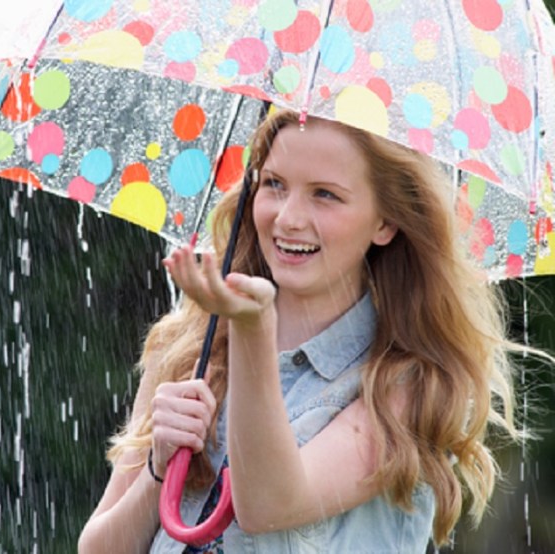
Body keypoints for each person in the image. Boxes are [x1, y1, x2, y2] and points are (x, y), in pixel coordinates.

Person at [77, 109, 532, 553]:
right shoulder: (189, 348)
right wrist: (158, 470)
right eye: (274, 184)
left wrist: (253, 328)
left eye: (325, 195)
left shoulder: (407, 385)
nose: (289, 217)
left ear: (385, 221)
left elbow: (269, 505)